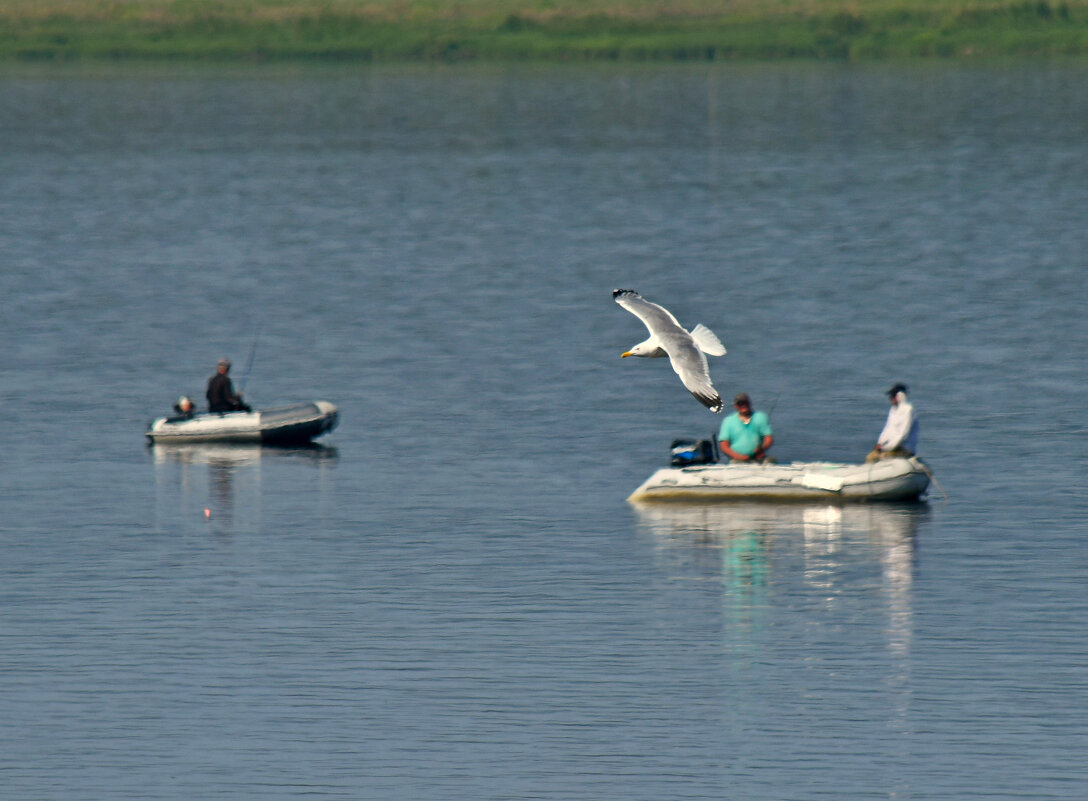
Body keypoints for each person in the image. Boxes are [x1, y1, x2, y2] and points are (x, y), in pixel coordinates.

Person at [866, 383, 919, 462]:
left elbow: (902, 435)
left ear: (900, 396)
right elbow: (887, 429)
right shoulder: (893, 410)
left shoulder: (908, 410)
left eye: (892, 396)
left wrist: (886, 448)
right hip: (892, 447)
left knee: (884, 456)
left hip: (905, 449)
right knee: (871, 456)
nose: (891, 399)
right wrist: (880, 443)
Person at [718, 392, 774, 463]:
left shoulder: (761, 417)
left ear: (750, 403)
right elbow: (724, 446)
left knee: (771, 461)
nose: (743, 406)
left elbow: (769, 439)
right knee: (735, 464)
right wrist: (738, 456)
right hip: (738, 460)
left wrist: (762, 448)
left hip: (758, 457)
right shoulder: (728, 421)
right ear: (735, 406)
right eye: (740, 404)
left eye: (745, 403)